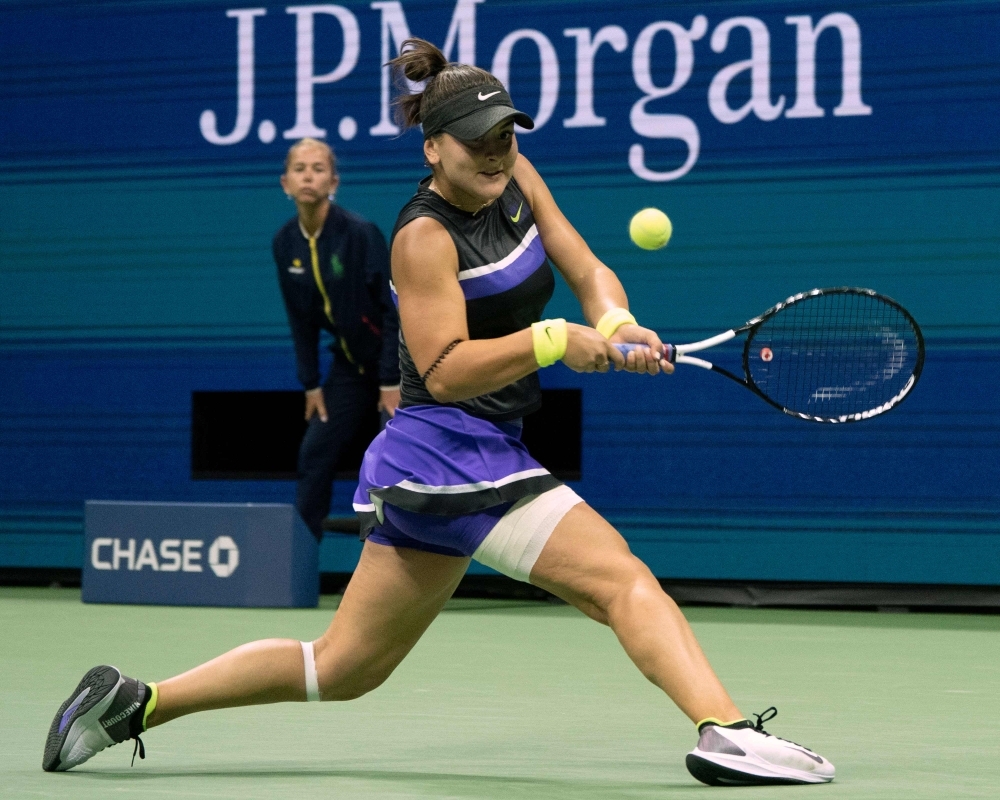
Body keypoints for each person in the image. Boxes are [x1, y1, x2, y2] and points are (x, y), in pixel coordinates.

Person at [42, 40, 834, 787]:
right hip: (450, 449)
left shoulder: (520, 176)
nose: (495, 151)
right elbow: (446, 370)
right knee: (621, 580)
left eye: (505, 133)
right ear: (433, 147)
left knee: (344, 668)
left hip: (448, 462)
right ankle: (725, 729)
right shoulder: (422, 238)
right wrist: (555, 339)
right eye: (477, 139)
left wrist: (618, 323)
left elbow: (585, 264)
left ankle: (135, 701)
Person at [273, 138, 400, 539]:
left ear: (334, 181)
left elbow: (393, 311)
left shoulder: (361, 234)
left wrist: (391, 380)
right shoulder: (284, 243)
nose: (308, 176)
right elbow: (300, 319)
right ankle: (298, 565)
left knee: (391, 461)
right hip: (348, 369)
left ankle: (391, 564)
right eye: (299, 169)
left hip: (393, 367)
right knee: (314, 452)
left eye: (318, 168)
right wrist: (310, 383)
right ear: (285, 183)